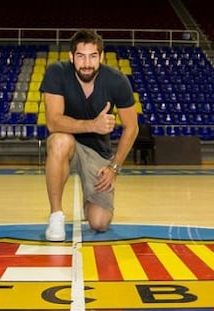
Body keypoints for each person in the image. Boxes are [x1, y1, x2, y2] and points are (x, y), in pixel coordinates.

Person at [39, 29, 139, 241]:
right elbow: (53, 122)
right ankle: (56, 216)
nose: (87, 63)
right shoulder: (56, 72)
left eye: (93, 56)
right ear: (71, 56)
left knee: (99, 223)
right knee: (59, 140)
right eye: (81, 56)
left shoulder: (117, 80)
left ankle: (89, 200)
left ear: (101, 57)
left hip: (98, 153)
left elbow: (132, 127)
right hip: (68, 146)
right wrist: (93, 125)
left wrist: (114, 167)